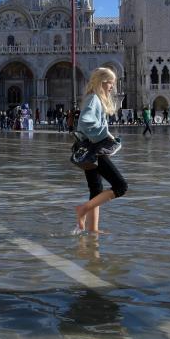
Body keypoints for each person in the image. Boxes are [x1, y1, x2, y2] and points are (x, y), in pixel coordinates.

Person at [73, 68, 128, 233]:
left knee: (96, 189)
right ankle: (82, 209)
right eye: (111, 83)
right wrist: (104, 136)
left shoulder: (93, 98)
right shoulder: (94, 99)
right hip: (94, 150)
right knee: (120, 186)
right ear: (102, 82)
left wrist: (110, 138)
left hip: (88, 149)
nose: (112, 87)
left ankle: (92, 229)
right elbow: (85, 122)